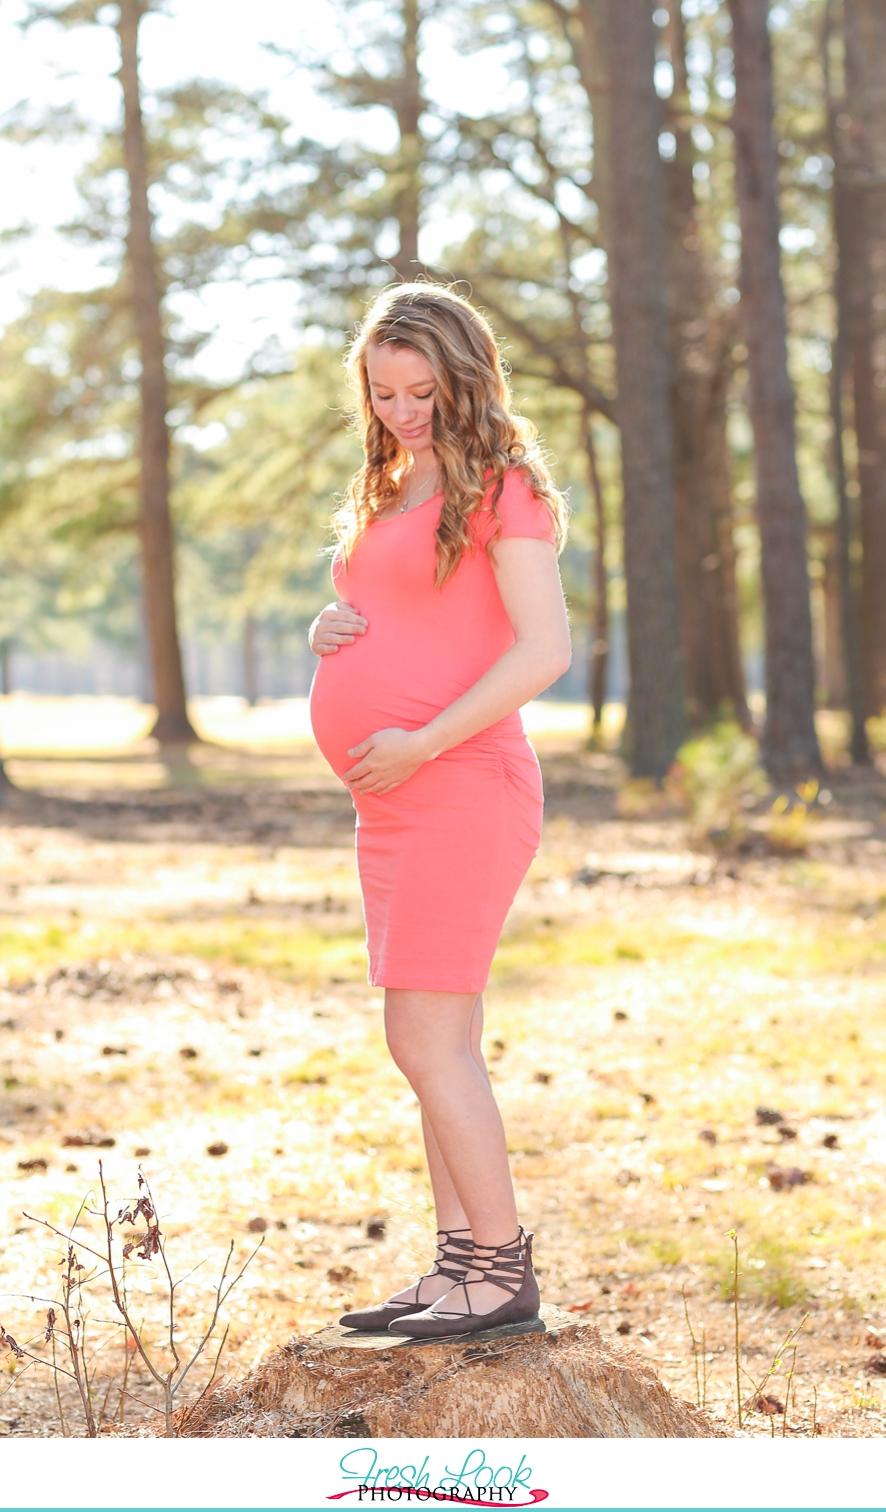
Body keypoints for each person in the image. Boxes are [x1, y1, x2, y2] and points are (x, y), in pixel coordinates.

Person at [307, 283, 571, 1342]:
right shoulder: (397, 478)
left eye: (423, 390)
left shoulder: (505, 487)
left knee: (424, 1038)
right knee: (441, 1037)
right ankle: (456, 1261)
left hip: (463, 783)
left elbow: (543, 649)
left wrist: (421, 740)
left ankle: (500, 1271)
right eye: (384, 391)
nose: (405, 409)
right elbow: (410, 608)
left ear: (466, 376)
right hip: (398, 803)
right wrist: (333, 625)